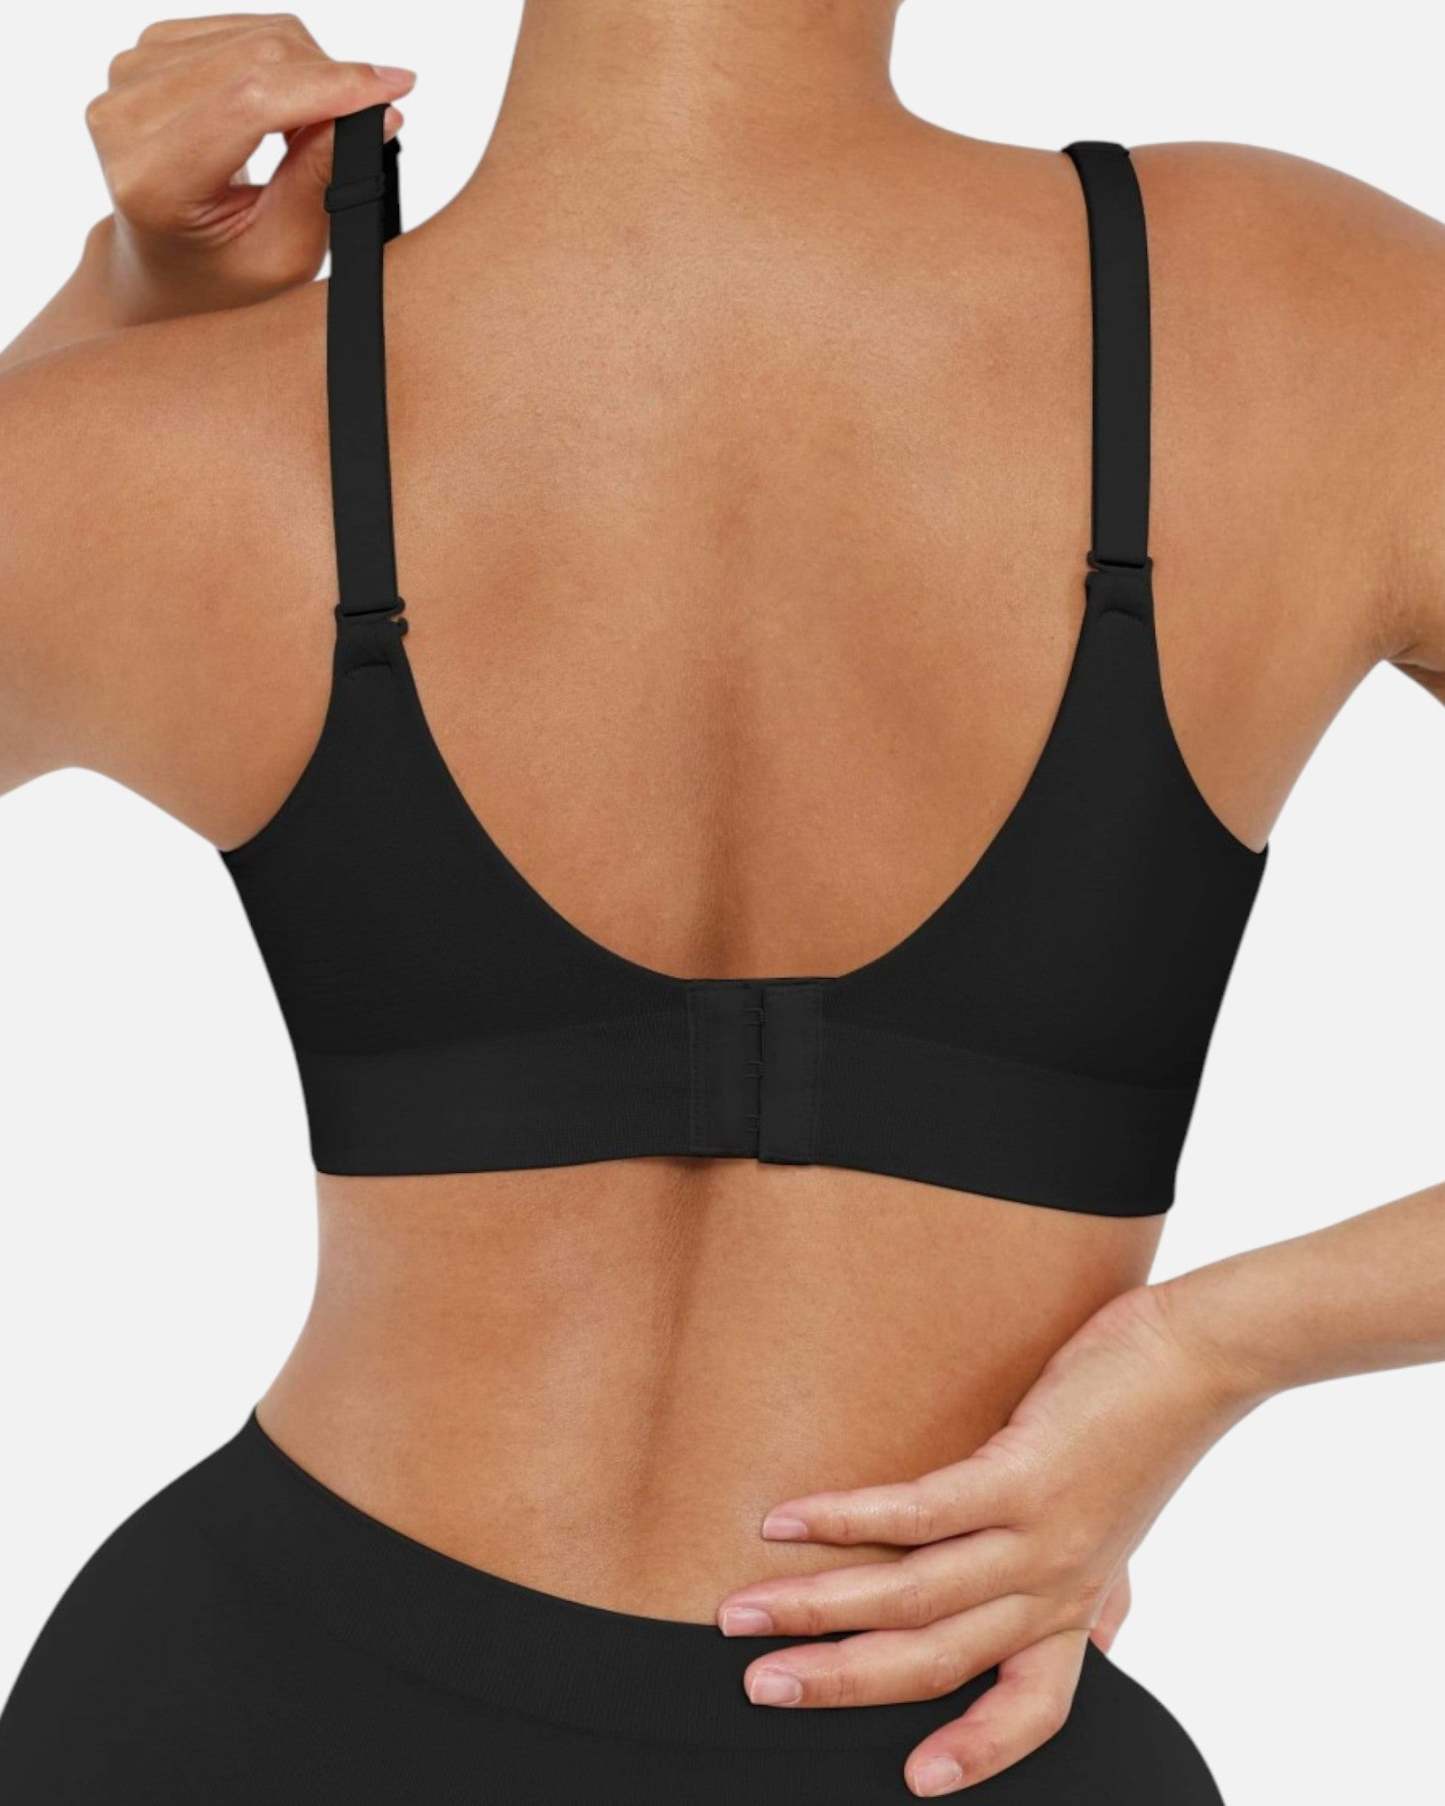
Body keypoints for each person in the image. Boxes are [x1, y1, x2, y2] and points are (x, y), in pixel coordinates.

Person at [0, 5, 1441, 1801]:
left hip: (229, 1720)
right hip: (945, 1745)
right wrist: (1207, 1351)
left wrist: (129, 304)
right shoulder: (1298, 313)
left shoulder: (195, 425)